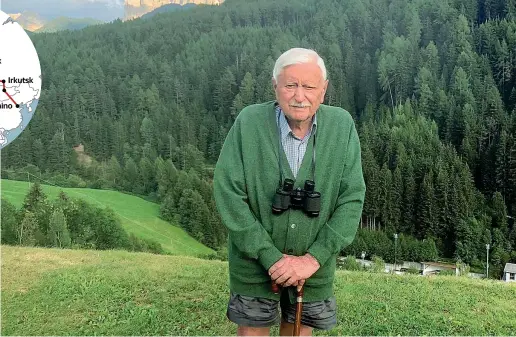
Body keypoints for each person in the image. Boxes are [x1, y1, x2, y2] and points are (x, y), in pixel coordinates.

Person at [213, 47, 366, 336]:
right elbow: (228, 193)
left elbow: (352, 198)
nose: (299, 96)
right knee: (251, 332)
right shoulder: (248, 122)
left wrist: (312, 259)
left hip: (313, 271)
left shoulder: (342, 126)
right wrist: (268, 255)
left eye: (309, 86)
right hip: (253, 265)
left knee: (298, 332)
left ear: (324, 90)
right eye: (290, 85)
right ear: (275, 87)